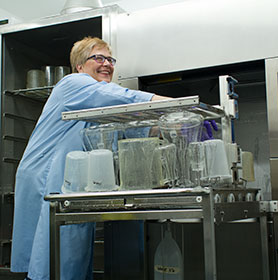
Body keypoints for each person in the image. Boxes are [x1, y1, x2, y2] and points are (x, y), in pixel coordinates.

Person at [10, 36, 171, 280]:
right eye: (98, 57)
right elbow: (127, 98)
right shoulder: (73, 84)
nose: (106, 63)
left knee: (67, 251)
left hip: (68, 181)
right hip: (46, 176)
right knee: (56, 255)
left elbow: (133, 129)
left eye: (110, 59)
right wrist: (178, 105)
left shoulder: (99, 102)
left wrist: (174, 126)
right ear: (80, 66)